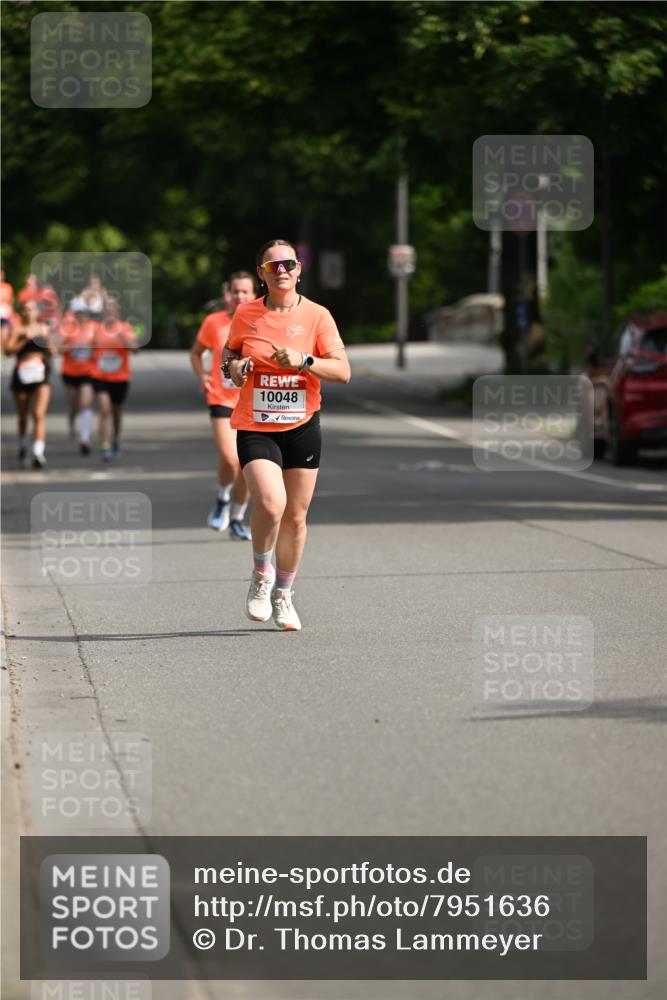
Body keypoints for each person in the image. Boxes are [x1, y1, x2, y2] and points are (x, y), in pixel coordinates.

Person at [223, 239, 350, 631]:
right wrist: (236, 369)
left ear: (299, 270)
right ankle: (261, 578)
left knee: (296, 516)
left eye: (288, 264)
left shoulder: (317, 316)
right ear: (261, 273)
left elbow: (342, 371)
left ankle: (283, 595)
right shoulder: (246, 314)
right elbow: (228, 359)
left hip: (301, 426)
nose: (282, 270)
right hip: (256, 425)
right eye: (273, 265)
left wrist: (305, 361)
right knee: (272, 503)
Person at [190, 271, 256, 537]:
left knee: (249, 466)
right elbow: (196, 353)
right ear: (227, 294)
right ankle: (222, 499)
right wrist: (202, 375)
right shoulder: (213, 322)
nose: (239, 296)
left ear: (254, 295)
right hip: (221, 398)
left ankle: (238, 518)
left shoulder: (262, 321)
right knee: (231, 460)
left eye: (245, 292)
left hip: (253, 403)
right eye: (235, 291)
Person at [5, 298, 56, 467]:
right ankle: (23, 443)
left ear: (37, 312)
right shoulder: (17, 329)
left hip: (41, 374)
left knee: (39, 414)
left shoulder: (44, 328)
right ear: (22, 312)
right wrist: (24, 339)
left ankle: (38, 452)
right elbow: (7, 350)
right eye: (25, 309)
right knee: (23, 416)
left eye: (31, 309)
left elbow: (54, 352)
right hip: (22, 374)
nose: (28, 312)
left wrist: (44, 339)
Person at [90, 300, 137, 461]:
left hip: (120, 377)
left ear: (117, 313)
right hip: (100, 376)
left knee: (116, 413)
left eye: (112, 310)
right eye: (107, 311)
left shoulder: (125, 328)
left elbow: (135, 349)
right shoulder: (96, 330)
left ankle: (116, 438)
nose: (110, 313)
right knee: (104, 409)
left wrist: (124, 339)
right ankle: (105, 446)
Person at [59, 297, 96, 454]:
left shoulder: (94, 327)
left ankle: (85, 439)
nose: (82, 315)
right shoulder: (67, 328)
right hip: (70, 372)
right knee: (74, 405)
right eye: (78, 312)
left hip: (88, 371)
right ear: (73, 314)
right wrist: (70, 346)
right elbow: (58, 349)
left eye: (84, 312)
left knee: (85, 403)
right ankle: (72, 420)